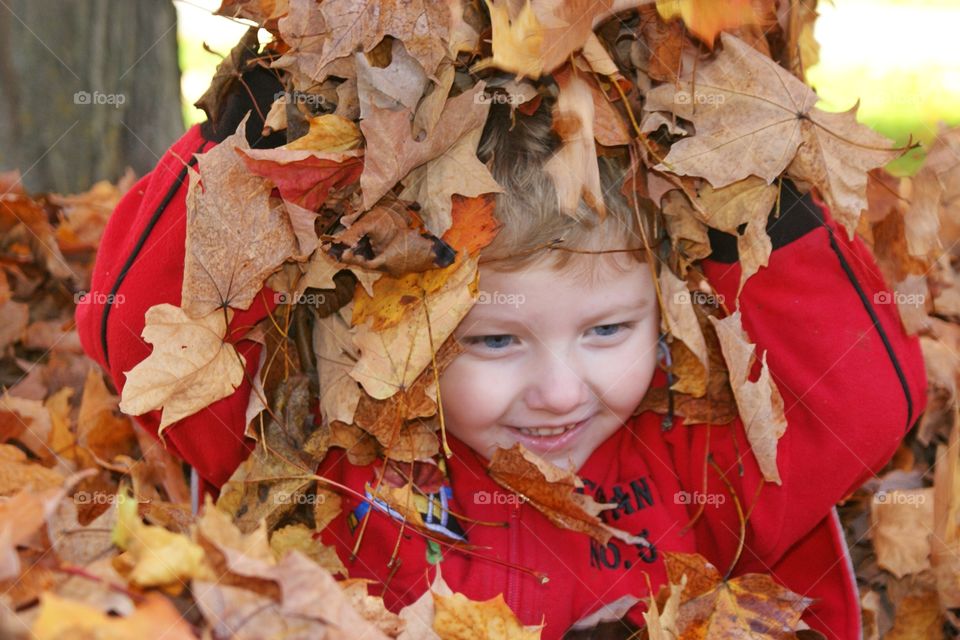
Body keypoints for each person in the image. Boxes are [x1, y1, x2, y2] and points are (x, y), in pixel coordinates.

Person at [77, 72, 926, 639]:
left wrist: (753, 203)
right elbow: (135, 334)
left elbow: (862, 401)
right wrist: (240, 155)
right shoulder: (336, 477)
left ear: (666, 313)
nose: (561, 391)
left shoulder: (694, 465)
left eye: (607, 331)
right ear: (398, 325)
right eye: (493, 340)